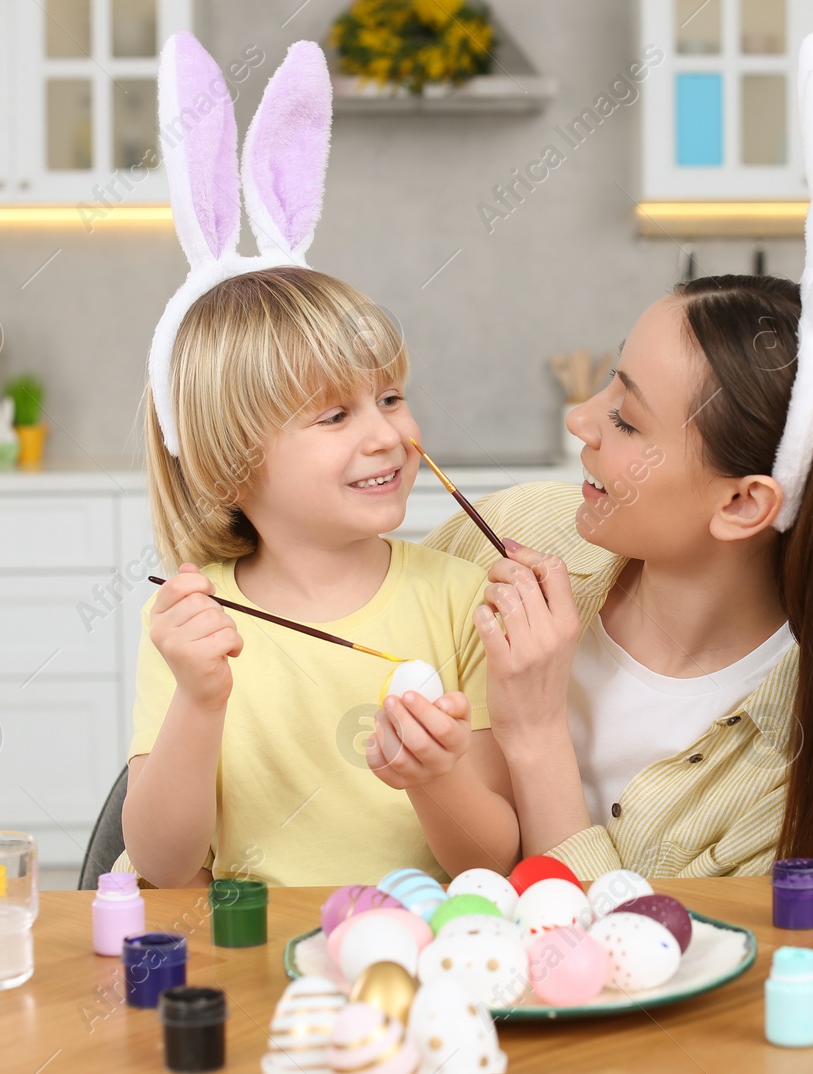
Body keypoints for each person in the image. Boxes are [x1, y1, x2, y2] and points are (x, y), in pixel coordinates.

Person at [423, 36, 813, 879]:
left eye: (626, 420)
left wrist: (534, 733)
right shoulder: (514, 530)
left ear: (743, 503)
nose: (579, 421)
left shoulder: (794, 770)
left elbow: (647, 966)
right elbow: (339, 600)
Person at [116, 34, 516, 888]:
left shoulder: (456, 600)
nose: (386, 436)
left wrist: (438, 777)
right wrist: (199, 699)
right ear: (229, 465)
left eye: (392, 398)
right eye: (335, 414)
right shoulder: (195, 628)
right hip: (250, 968)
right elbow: (163, 867)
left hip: (424, 957)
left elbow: (492, 860)